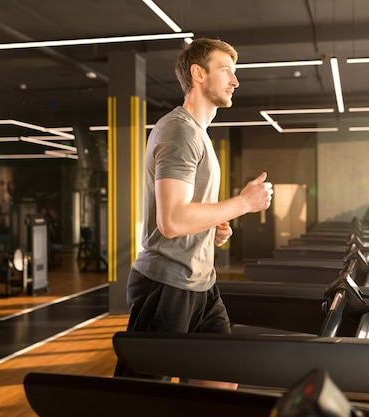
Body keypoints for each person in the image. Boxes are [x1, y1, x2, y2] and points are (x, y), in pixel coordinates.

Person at [115, 38, 273, 383]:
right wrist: (243, 204)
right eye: (226, 71)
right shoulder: (179, 131)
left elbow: (186, 212)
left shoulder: (198, 134)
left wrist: (213, 223)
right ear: (198, 74)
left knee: (219, 380)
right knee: (141, 400)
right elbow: (171, 222)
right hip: (166, 284)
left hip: (200, 283)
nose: (235, 81)